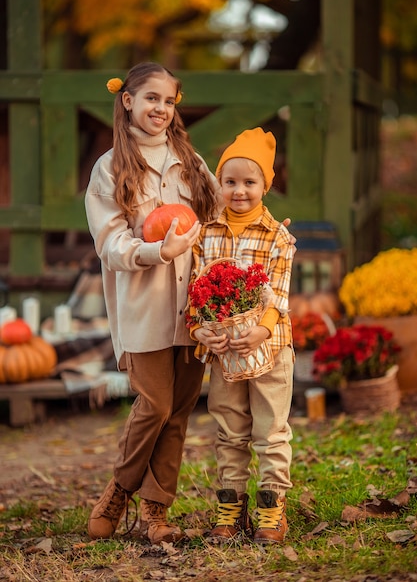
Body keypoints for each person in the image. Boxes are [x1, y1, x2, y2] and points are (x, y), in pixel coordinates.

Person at [84, 61, 221, 545]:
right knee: (155, 405)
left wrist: (258, 221)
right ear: (128, 101)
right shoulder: (110, 169)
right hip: (145, 307)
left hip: (194, 308)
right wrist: (156, 251)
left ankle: (156, 512)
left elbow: (219, 214)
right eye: (150, 99)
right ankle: (120, 489)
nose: (160, 109)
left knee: (180, 411)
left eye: (168, 101)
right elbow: (109, 243)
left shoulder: (190, 159)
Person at [189, 127, 295, 544]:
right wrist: (201, 330)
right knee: (230, 428)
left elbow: (279, 295)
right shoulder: (205, 233)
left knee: (270, 430)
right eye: (229, 181)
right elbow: (195, 293)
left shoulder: (278, 237)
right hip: (224, 354)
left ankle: (272, 507)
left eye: (249, 182)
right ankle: (231, 506)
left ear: (265, 185)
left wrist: (261, 330)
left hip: (269, 348)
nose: (238, 191)